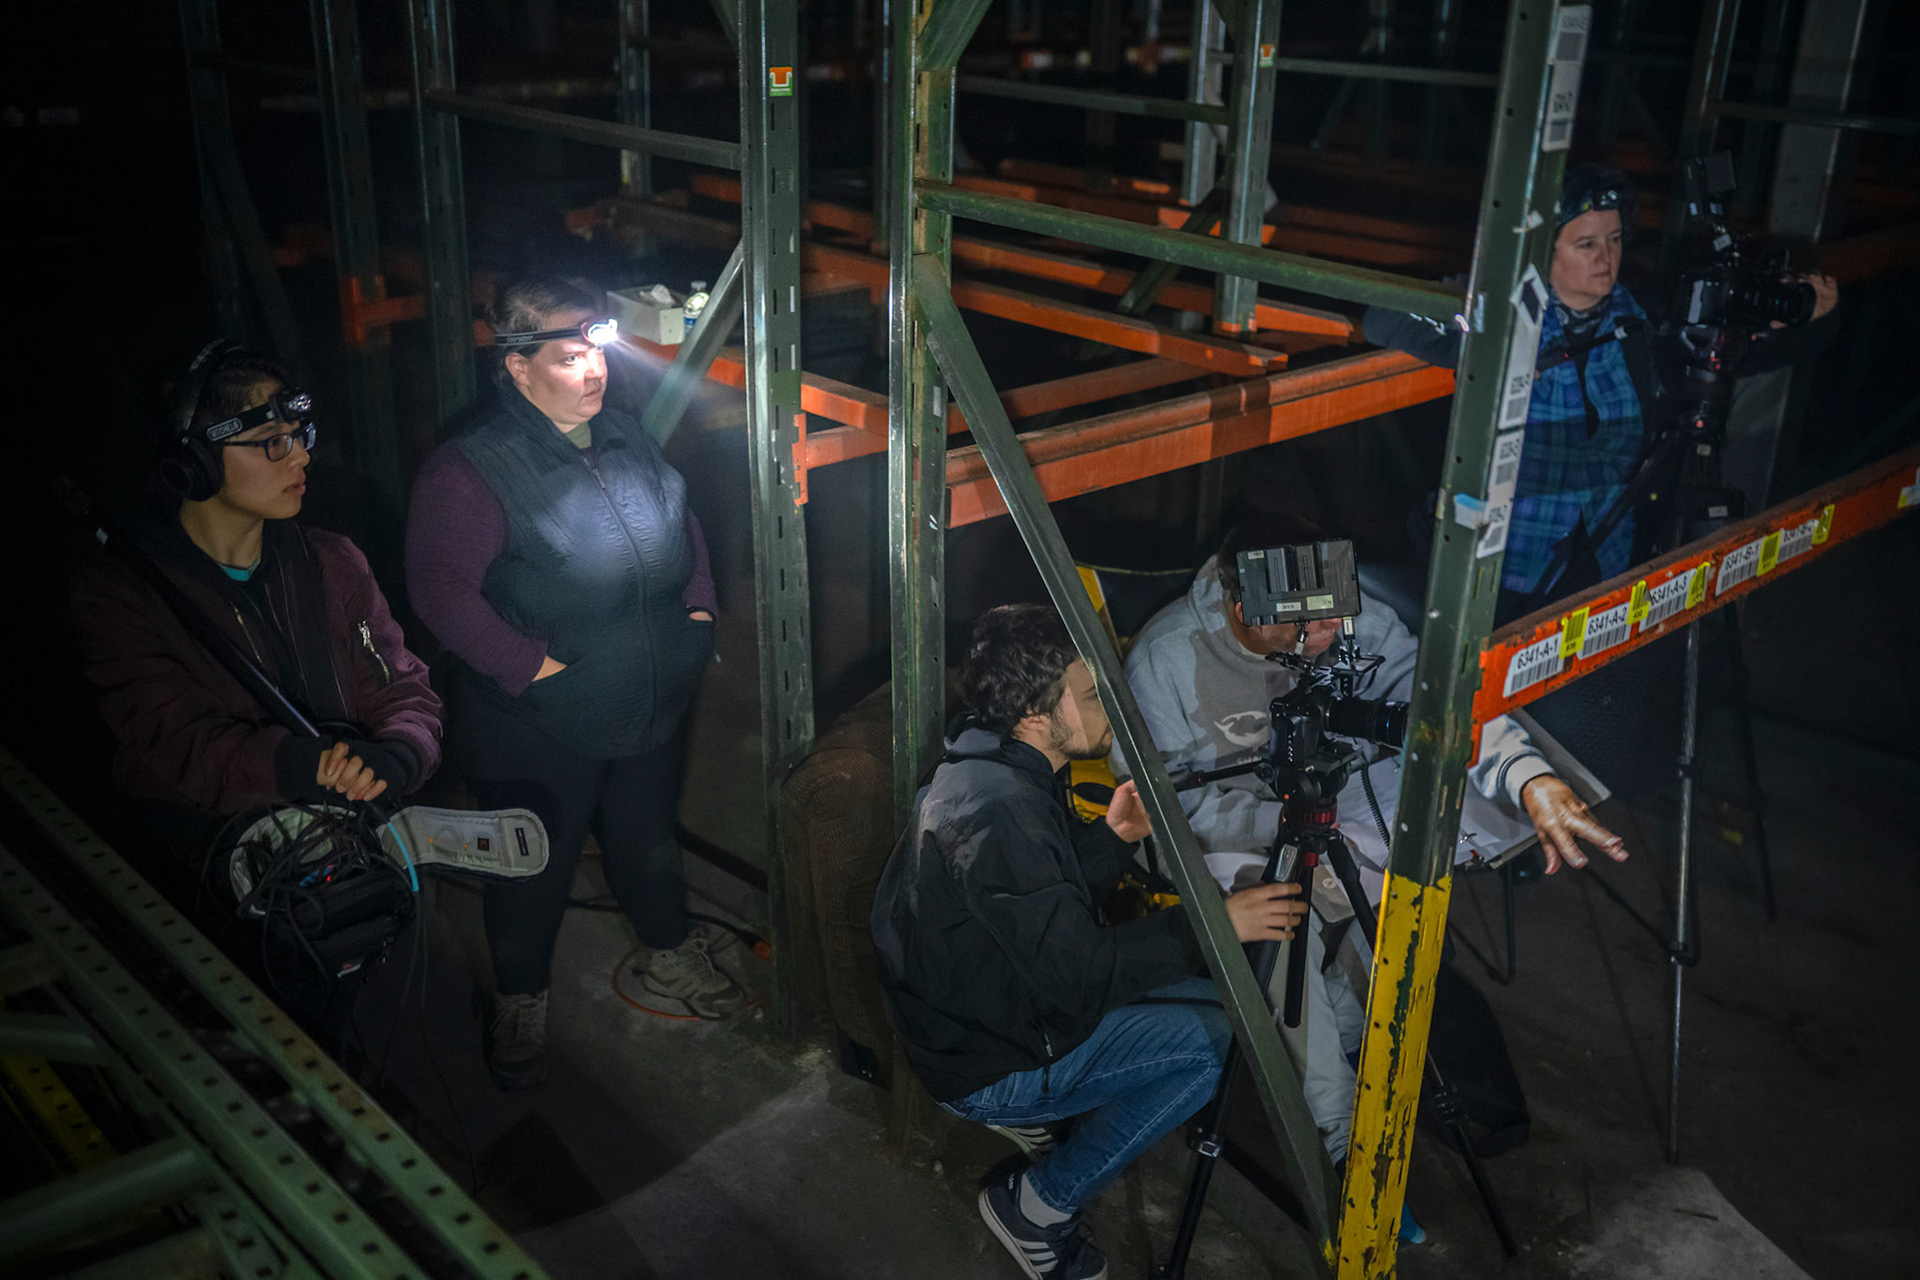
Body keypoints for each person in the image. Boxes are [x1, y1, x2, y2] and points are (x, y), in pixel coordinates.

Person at [1117, 524, 1628, 1171]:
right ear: (1247, 611)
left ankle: (1323, 1051)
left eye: (1339, 614)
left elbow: (1434, 697)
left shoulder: (1340, 615)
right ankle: (1341, 1145)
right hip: (1215, 828)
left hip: (1330, 808)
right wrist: (1295, 830)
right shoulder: (1165, 662)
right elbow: (1169, 811)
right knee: (1287, 927)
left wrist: (1528, 776)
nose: (1334, 633)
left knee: (1388, 903)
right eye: (1313, 626)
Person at [871, 603, 1306, 1280]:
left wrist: (1110, 839)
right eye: (1092, 694)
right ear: (1038, 714)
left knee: (1218, 1007)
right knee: (1223, 1043)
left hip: (983, 1012)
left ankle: (1053, 1135)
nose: (1110, 704)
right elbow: (1079, 972)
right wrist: (1220, 928)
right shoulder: (998, 811)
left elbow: (1040, 904)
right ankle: (1038, 1206)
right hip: (988, 1062)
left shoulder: (990, 766)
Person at [406, 276, 735, 1090]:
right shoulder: (473, 471)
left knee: (647, 839)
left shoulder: (624, 434)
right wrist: (539, 671)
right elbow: (440, 591)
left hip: (649, 701)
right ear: (518, 368)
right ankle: (520, 995)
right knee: (532, 864)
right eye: (569, 356)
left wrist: (697, 617)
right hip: (538, 723)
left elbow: (684, 527)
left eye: (598, 352)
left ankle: (668, 953)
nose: (593, 371)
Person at [1363, 162, 1839, 619]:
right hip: (1504, 566)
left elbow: (1753, 354)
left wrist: (1809, 319)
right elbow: (1382, 318)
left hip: (1604, 557)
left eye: (1614, 240)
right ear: (1542, 249)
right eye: (1585, 243)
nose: (1606, 258)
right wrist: (1476, 301)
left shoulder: (1642, 318)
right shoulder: (1508, 316)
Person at [72, 341, 442, 860]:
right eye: (272, 442)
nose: (301, 456)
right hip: (221, 855)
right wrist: (298, 766)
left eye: (298, 437)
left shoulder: (333, 562)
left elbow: (402, 687)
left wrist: (400, 754)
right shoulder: (124, 595)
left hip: (354, 842)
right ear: (194, 460)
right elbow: (176, 744)